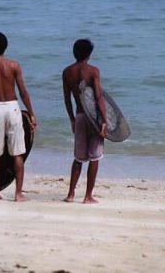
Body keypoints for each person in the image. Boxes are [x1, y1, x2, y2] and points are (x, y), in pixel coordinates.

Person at [0, 32, 36, 202]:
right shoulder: (14, 65)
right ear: (6, 46)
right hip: (12, 107)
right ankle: (18, 194)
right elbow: (23, 92)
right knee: (17, 152)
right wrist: (31, 113)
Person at [62, 39, 107, 204]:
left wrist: (72, 119)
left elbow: (67, 99)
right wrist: (104, 121)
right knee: (94, 157)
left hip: (80, 116)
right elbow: (98, 97)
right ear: (89, 54)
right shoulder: (93, 71)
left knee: (78, 158)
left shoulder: (67, 72)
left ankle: (70, 194)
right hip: (94, 118)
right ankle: (88, 196)